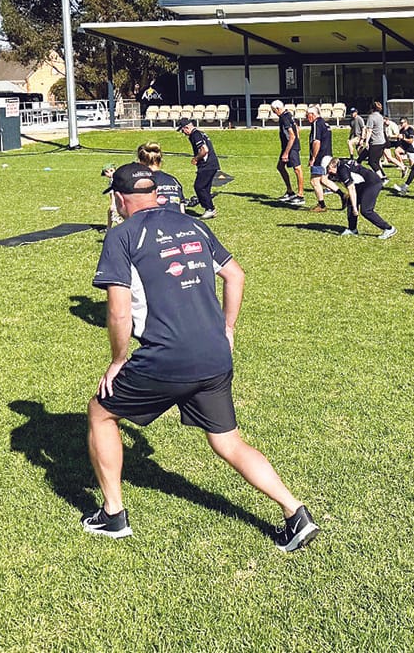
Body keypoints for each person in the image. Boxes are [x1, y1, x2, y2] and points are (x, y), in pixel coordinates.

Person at [84, 163, 318, 551]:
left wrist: (117, 359)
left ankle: (113, 515)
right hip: (213, 353)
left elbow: (118, 312)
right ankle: (295, 513)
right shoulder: (193, 224)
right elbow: (236, 275)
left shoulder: (121, 237)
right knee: (228, 442)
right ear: (156, 195)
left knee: (100, 412)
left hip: (166, 356)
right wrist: (227, 330)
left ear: (120, 199)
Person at [327, 156, 396, 239]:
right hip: (364, 183)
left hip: (372, 183)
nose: (328, 173)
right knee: (350, 201)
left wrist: (355, 208)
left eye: (328, 169)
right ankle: (352, 229)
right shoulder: (341, 162)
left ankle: (388, 228)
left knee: (366, 210)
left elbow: (351, 188)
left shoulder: (342, 170)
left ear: (331, 165)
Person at [179, 118, 220, 219]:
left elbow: (204, 150)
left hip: (206, 165)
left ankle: (210, 209)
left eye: (182, 130)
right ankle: (210, 208)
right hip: (212, 164)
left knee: (199, 187)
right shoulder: (201, 133)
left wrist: (196, 159)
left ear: (186, 127)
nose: (183, 133)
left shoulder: (195, 135)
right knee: (205, 187)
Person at [305, 105, 340, 212]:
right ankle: (343, 195)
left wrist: (313, 158)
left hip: (320, 157)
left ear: (313, 114)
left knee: (314, 181)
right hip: (327, 155)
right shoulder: (325, 123)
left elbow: (316, 142)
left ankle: (321, 205)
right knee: (323, 179)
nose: (306, 117)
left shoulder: (316, 123)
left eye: (307, 115)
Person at [271, 100, 305, 205]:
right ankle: (290, 191)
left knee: (297, 169)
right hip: (288, 146)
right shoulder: (288, 114)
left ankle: (301, 195)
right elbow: (297, 129)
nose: (273, 113)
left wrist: (287, 152)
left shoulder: (284, 118)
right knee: (280, 167)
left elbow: (292, 135)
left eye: (273, 111)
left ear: (277, 109)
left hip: (290, 147)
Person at [364, 101, 387, 177]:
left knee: (371, 162)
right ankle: (383, 175)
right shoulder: (381, 117)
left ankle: (382, 178)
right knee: (376, 161)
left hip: (375, 142)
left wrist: (366, 141)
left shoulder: (371, 117)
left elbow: (369, 130)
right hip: (382, 141)